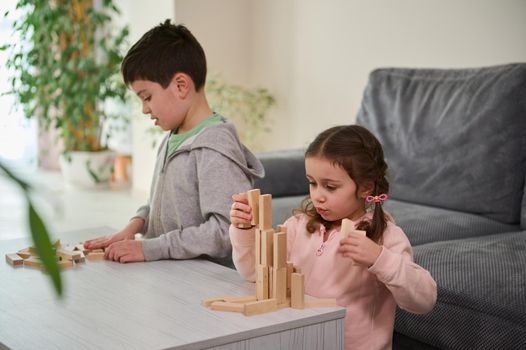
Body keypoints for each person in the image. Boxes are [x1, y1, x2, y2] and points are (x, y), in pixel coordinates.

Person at [229, 125, 437, 350]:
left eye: (330, 187)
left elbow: (423, 301)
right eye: (312, 183)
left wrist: (380, 259)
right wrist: (245, 230)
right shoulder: (298, 226)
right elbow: (253, 273)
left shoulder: (385, 236)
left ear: (365, 188)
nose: (318, 196)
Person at [84, 20, 264, 265]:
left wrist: (151, 248)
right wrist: (133, 226)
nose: (144, 109)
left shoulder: (215, 149)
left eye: (147, 97)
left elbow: (225, 231)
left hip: (198, 284)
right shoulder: (173, 138)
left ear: (181, 86)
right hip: (167, 274)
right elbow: (159, 206)